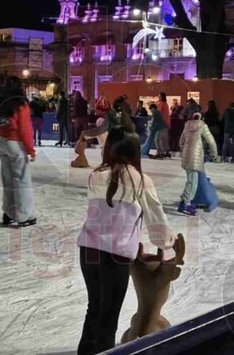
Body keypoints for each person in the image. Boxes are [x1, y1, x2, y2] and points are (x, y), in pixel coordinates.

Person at [76, 126, 176, 355]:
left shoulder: (96, 175)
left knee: (95, 307)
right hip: (115, 254)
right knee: (108, 315)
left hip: (88, 250)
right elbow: (157, 222)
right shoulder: (140, 180)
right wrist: (167, 245)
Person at [0, 77, 37, 227]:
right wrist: (31, 150)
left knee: (8, 180)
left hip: (1, 142)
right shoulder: (21, 104)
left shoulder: (1, 103)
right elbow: (25, 129)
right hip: (15, 143)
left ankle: (8, 212)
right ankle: (24, 215)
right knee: (21, 180)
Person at [178, 112, 217, 215]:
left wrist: (185, 151)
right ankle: (185, 204)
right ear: (201, 118)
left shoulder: (187, 125)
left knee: (191, 180)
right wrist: (214, 154)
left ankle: (184, 201)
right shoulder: (202, 125)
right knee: (193, 182)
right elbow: (211, 141)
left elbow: (181, 142)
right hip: (195, 157)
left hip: (186, 156)